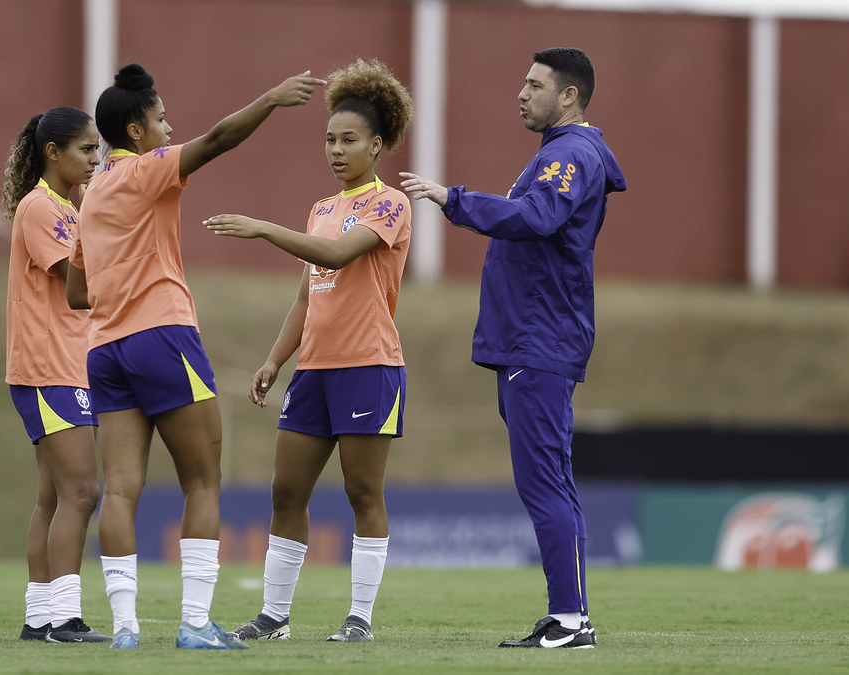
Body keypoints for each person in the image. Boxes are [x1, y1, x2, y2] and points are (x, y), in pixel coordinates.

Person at [66, 63, 325, 651]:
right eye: (160, 119)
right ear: (136, 131)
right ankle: (194, 624)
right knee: (203, 482)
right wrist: (273, 97)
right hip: (162, 335)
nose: (168, 127)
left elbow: (75, 293)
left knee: (121, 490)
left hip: (104, 348)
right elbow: (217, 140)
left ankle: (126, 630)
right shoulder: (143, 170)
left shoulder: (93, 192)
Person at [400, 47, 626, 649]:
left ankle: (571, 621)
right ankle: (570, 618)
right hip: (534, 338)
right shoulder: (561, 152)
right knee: (553, 481)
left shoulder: (570, 154)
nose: (521, 93)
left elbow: (538, 216)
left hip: (540, 339)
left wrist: (452, 199)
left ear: (569, 95)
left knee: (544, 484)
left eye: (534, 84)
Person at [204, 57, 414, 644]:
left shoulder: (389, 204)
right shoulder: (320, 210)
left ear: (377, 144)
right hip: (314, 373)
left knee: (361, 493)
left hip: (369, 367)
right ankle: (273, 617)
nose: (336, 150)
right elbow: (307, 296)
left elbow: (339, 257)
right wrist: (275, 360)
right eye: (329, 139)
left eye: (349, 140)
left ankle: (360, 619)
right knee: (286, 492)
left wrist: (263, 228)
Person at [1, 106, 109, 643]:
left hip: (71, 366)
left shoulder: (69, 207)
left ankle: (39, 616)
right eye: (86, 149)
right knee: (84, 492)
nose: (96, 159)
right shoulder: (41, 208)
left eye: (97, 149)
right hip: (49, 368)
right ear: (53, 152)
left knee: (55, 496)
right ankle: (65, 617)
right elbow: (82, 285)